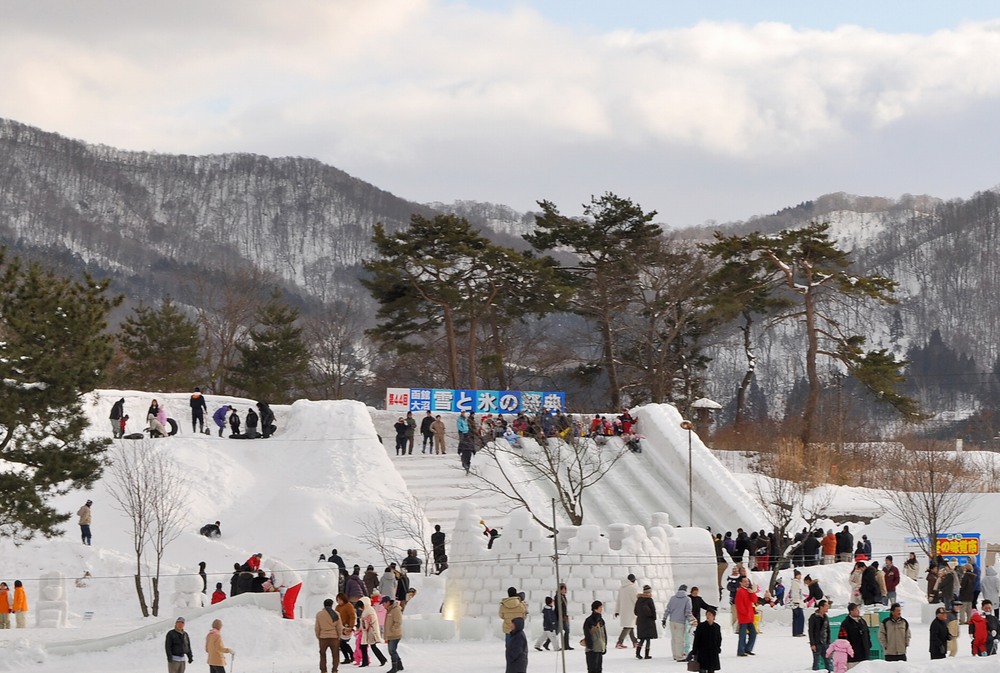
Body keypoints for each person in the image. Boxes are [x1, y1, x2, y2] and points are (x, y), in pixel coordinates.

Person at [315, 597, 342, 673]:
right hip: (334, 637)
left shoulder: (319, 614)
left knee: (322, 654)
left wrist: (318, 636)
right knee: (335, 654)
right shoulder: (336, 614)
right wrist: (339, 635)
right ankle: (334, 670)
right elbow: (339, 626)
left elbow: (317, 627)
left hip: (323, 637)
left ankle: (323, 670)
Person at [691, 607, 722, 673]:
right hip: (702, 652)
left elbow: (719, 639)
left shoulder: (717, 627)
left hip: (713, 652)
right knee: (702, 669)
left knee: (711, 669)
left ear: (714, 616)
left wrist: (718, 648)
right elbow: (697, 639)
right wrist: (694, 650)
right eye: (707, 614)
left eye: (710, 614)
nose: (708, 616)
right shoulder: (701, 626)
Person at [359, 596, 387, 666]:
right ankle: (382, 659)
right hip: (368, 630)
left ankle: (380, 659)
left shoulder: (368, 610)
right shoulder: (368, 609)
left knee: (368, 646)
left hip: (370, 631)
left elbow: (369, 620)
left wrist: (364, 625)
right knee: (368, 646)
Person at [614, 573, 639, 649]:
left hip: (623, 611)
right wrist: (640, 609)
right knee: (628, 627)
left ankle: (635, 642)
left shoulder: (622, 588)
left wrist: (617, 611)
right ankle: (619, 642)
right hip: (631, 610)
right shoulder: (632, 588)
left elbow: (618, 600)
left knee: (630, 626)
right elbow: (636, 600)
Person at [842, 602, 871, 667]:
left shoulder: (862, 621)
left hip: (864, 654)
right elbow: (843, 640)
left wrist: (868, 645)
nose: (858, 611)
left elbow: (867, 633)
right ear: (851, 611)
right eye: (856, 610)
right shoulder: (846, 624)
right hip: (853, 656)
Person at [734, 576, 757, 657]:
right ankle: (741, 650)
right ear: (741, 583)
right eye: (745, 581)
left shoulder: (748, 591)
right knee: (742, 635)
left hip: (749, 617)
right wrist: (745, 613)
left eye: (747, 581)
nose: (747, 583)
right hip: (744, 617)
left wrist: (752, 592)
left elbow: (754, 600)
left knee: (753, 633)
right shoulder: (740, 591)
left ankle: (747, 649)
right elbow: (739, 605)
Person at [633, 583, 657, 659]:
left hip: (640, 621)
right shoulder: (649, 600)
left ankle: (638, 653)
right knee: (648, 639)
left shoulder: (639, 600)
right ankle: (646, 654)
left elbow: (635, 611)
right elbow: (653, 610)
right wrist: (654, 618)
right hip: (648, 622)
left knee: (642, 639)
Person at [583, 600, 607, 673]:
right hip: (592, 649)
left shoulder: (601, 620)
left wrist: (604, 645)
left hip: (599, 647)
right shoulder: (589, 620)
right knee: (592, 669)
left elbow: (604, 634)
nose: (601, 609)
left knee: (599, 669)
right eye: (600, 607)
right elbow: (587, 634)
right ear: (595, 608)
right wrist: (590, 645)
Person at [808, 599, 830, 671]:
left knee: (828, 661)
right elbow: (811, 631)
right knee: (816, 662)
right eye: (826, 606)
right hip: (817, 643)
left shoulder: (826, 617)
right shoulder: (814, 617)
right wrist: (812, 644)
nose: (828, 607)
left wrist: (828, 642)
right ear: (821, 607)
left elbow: (828, 630)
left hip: (825, 643)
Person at [335, 593, 357, 664]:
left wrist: (351, 626)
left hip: (347, 627)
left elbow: (352, 616)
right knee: (341, 643)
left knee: (343, 642)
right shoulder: (337, 607)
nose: (339, 602)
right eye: (337, 600)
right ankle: (348, 657)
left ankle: (351, 656)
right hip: (340, 627)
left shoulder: (348, 606)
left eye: (340, 600)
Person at [558, 583, 573, 650]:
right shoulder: (558, 597)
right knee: (566, 630)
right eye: (563, 589)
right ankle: (566, 645)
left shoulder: (563, 597)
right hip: (561, 617)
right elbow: (559, 608)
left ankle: (566, 645)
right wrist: (562, 616)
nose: (565, 590)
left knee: (559, 631)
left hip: (564, 616)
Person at [790, 569, 806, 637]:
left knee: (800, 618)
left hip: (799, 602)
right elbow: (795, 593)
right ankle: (797, 632)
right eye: (799, 575)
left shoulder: (798, 583)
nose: (800, 576)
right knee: (798, 618)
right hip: (796, 602)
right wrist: (796, 601)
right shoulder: (795, 583)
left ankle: (799, 631)